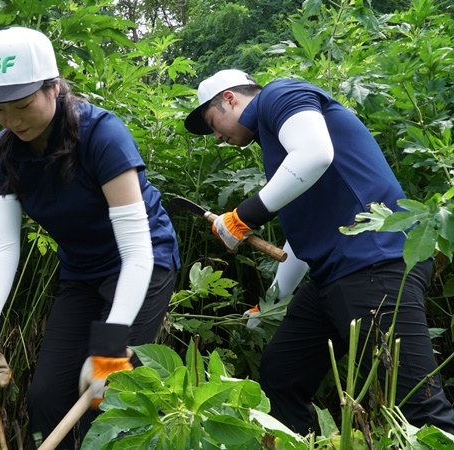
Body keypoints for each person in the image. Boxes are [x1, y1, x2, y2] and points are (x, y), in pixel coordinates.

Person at [183, 69, 454, 434]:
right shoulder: (280, 145)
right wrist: (269, 303)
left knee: (418, 408)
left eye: (213, 121)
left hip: (375, 262)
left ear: (230, 98)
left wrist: (241, 218)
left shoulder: (279, 95)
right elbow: (302, 234)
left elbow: (315, 154)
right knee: (282, 375)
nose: (216, 135)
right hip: (335, 275)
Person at [0, 26, 181, 449]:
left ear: (54, 88)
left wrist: (110, 346)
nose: (13, 121)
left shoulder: (102, 136)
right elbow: (4, 245)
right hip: (80, 272)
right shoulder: (5, 152)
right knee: (46, 398)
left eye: (21, 105)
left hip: (142, 266)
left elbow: (136, 249)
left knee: (109, 403)